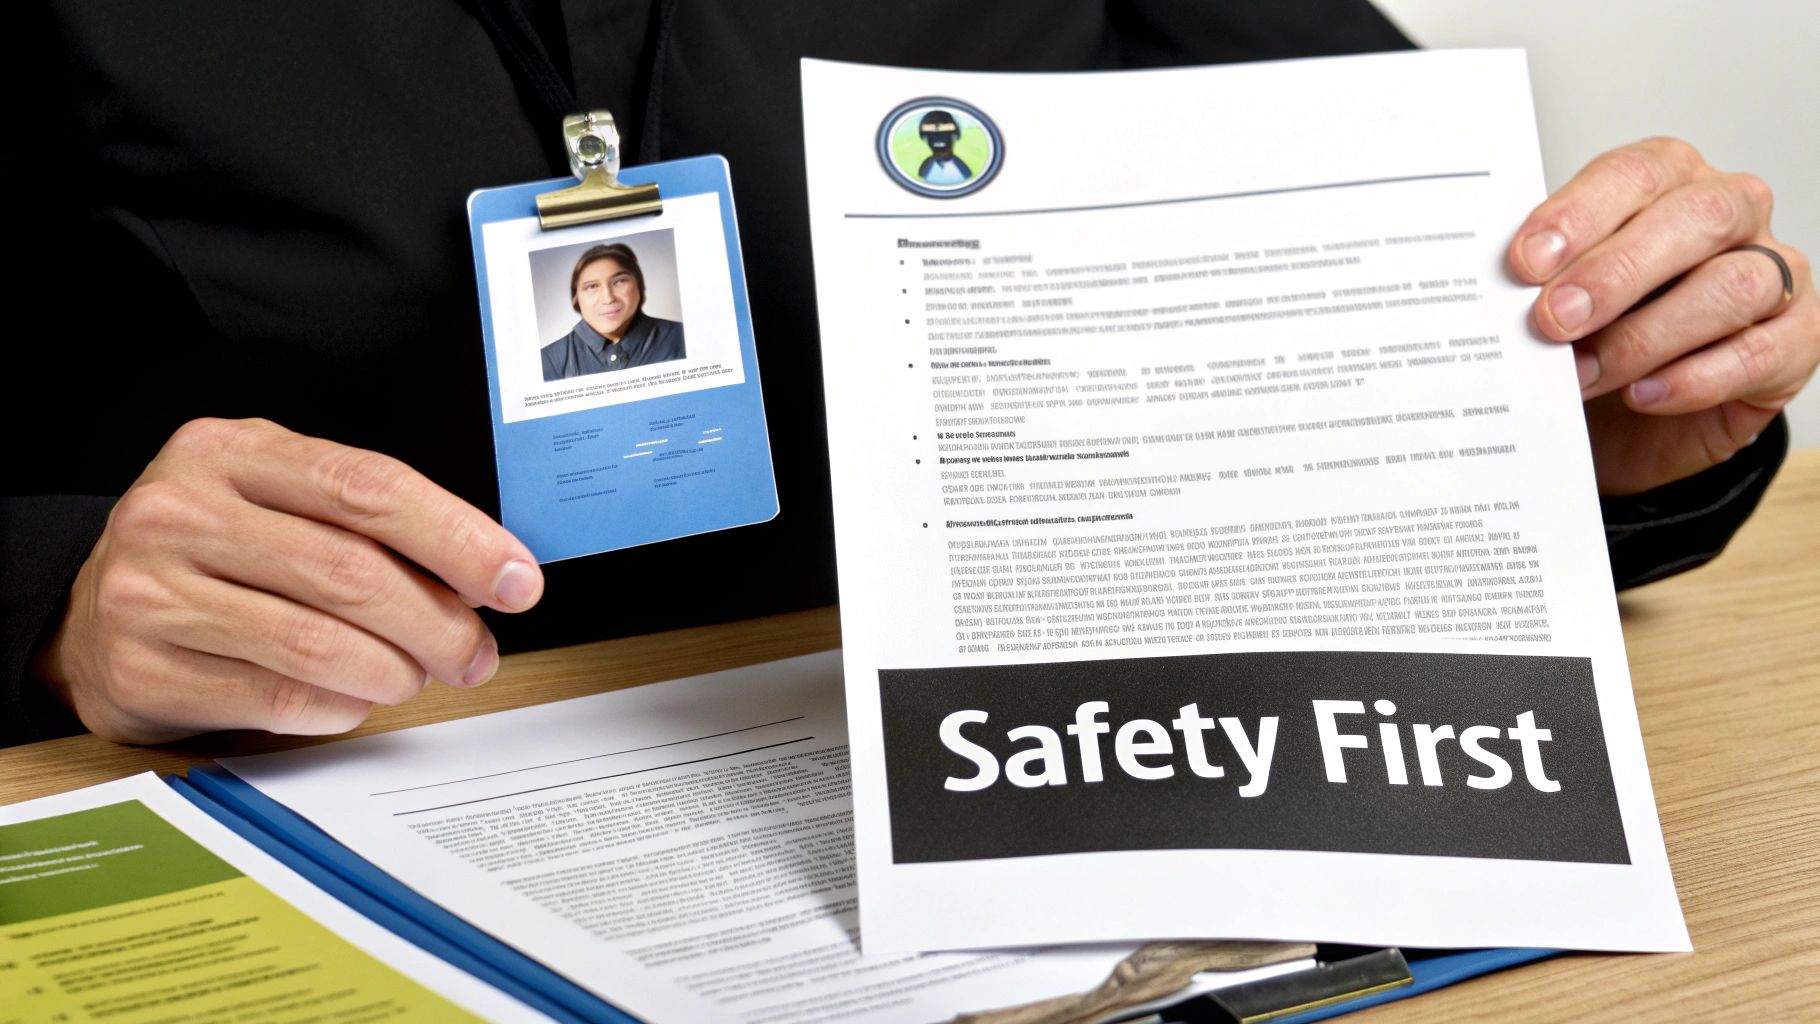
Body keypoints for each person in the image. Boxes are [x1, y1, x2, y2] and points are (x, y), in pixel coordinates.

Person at [5, 2, 1813, 748]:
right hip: (302, 807)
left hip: (1002, 792)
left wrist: (1617, 422)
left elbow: (1416, 306)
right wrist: (58, 598)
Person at [540, 242, 686, 381]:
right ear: (576, 298)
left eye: (619, 281)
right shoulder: (547, 361)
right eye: (592, 287)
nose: (608, 298)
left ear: (640, 286)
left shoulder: (682, 337)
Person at [916, 110, 973, 185]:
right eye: (931, 133)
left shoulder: (963, 170)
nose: (938, 137)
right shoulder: (925, 169)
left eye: (945, 131)